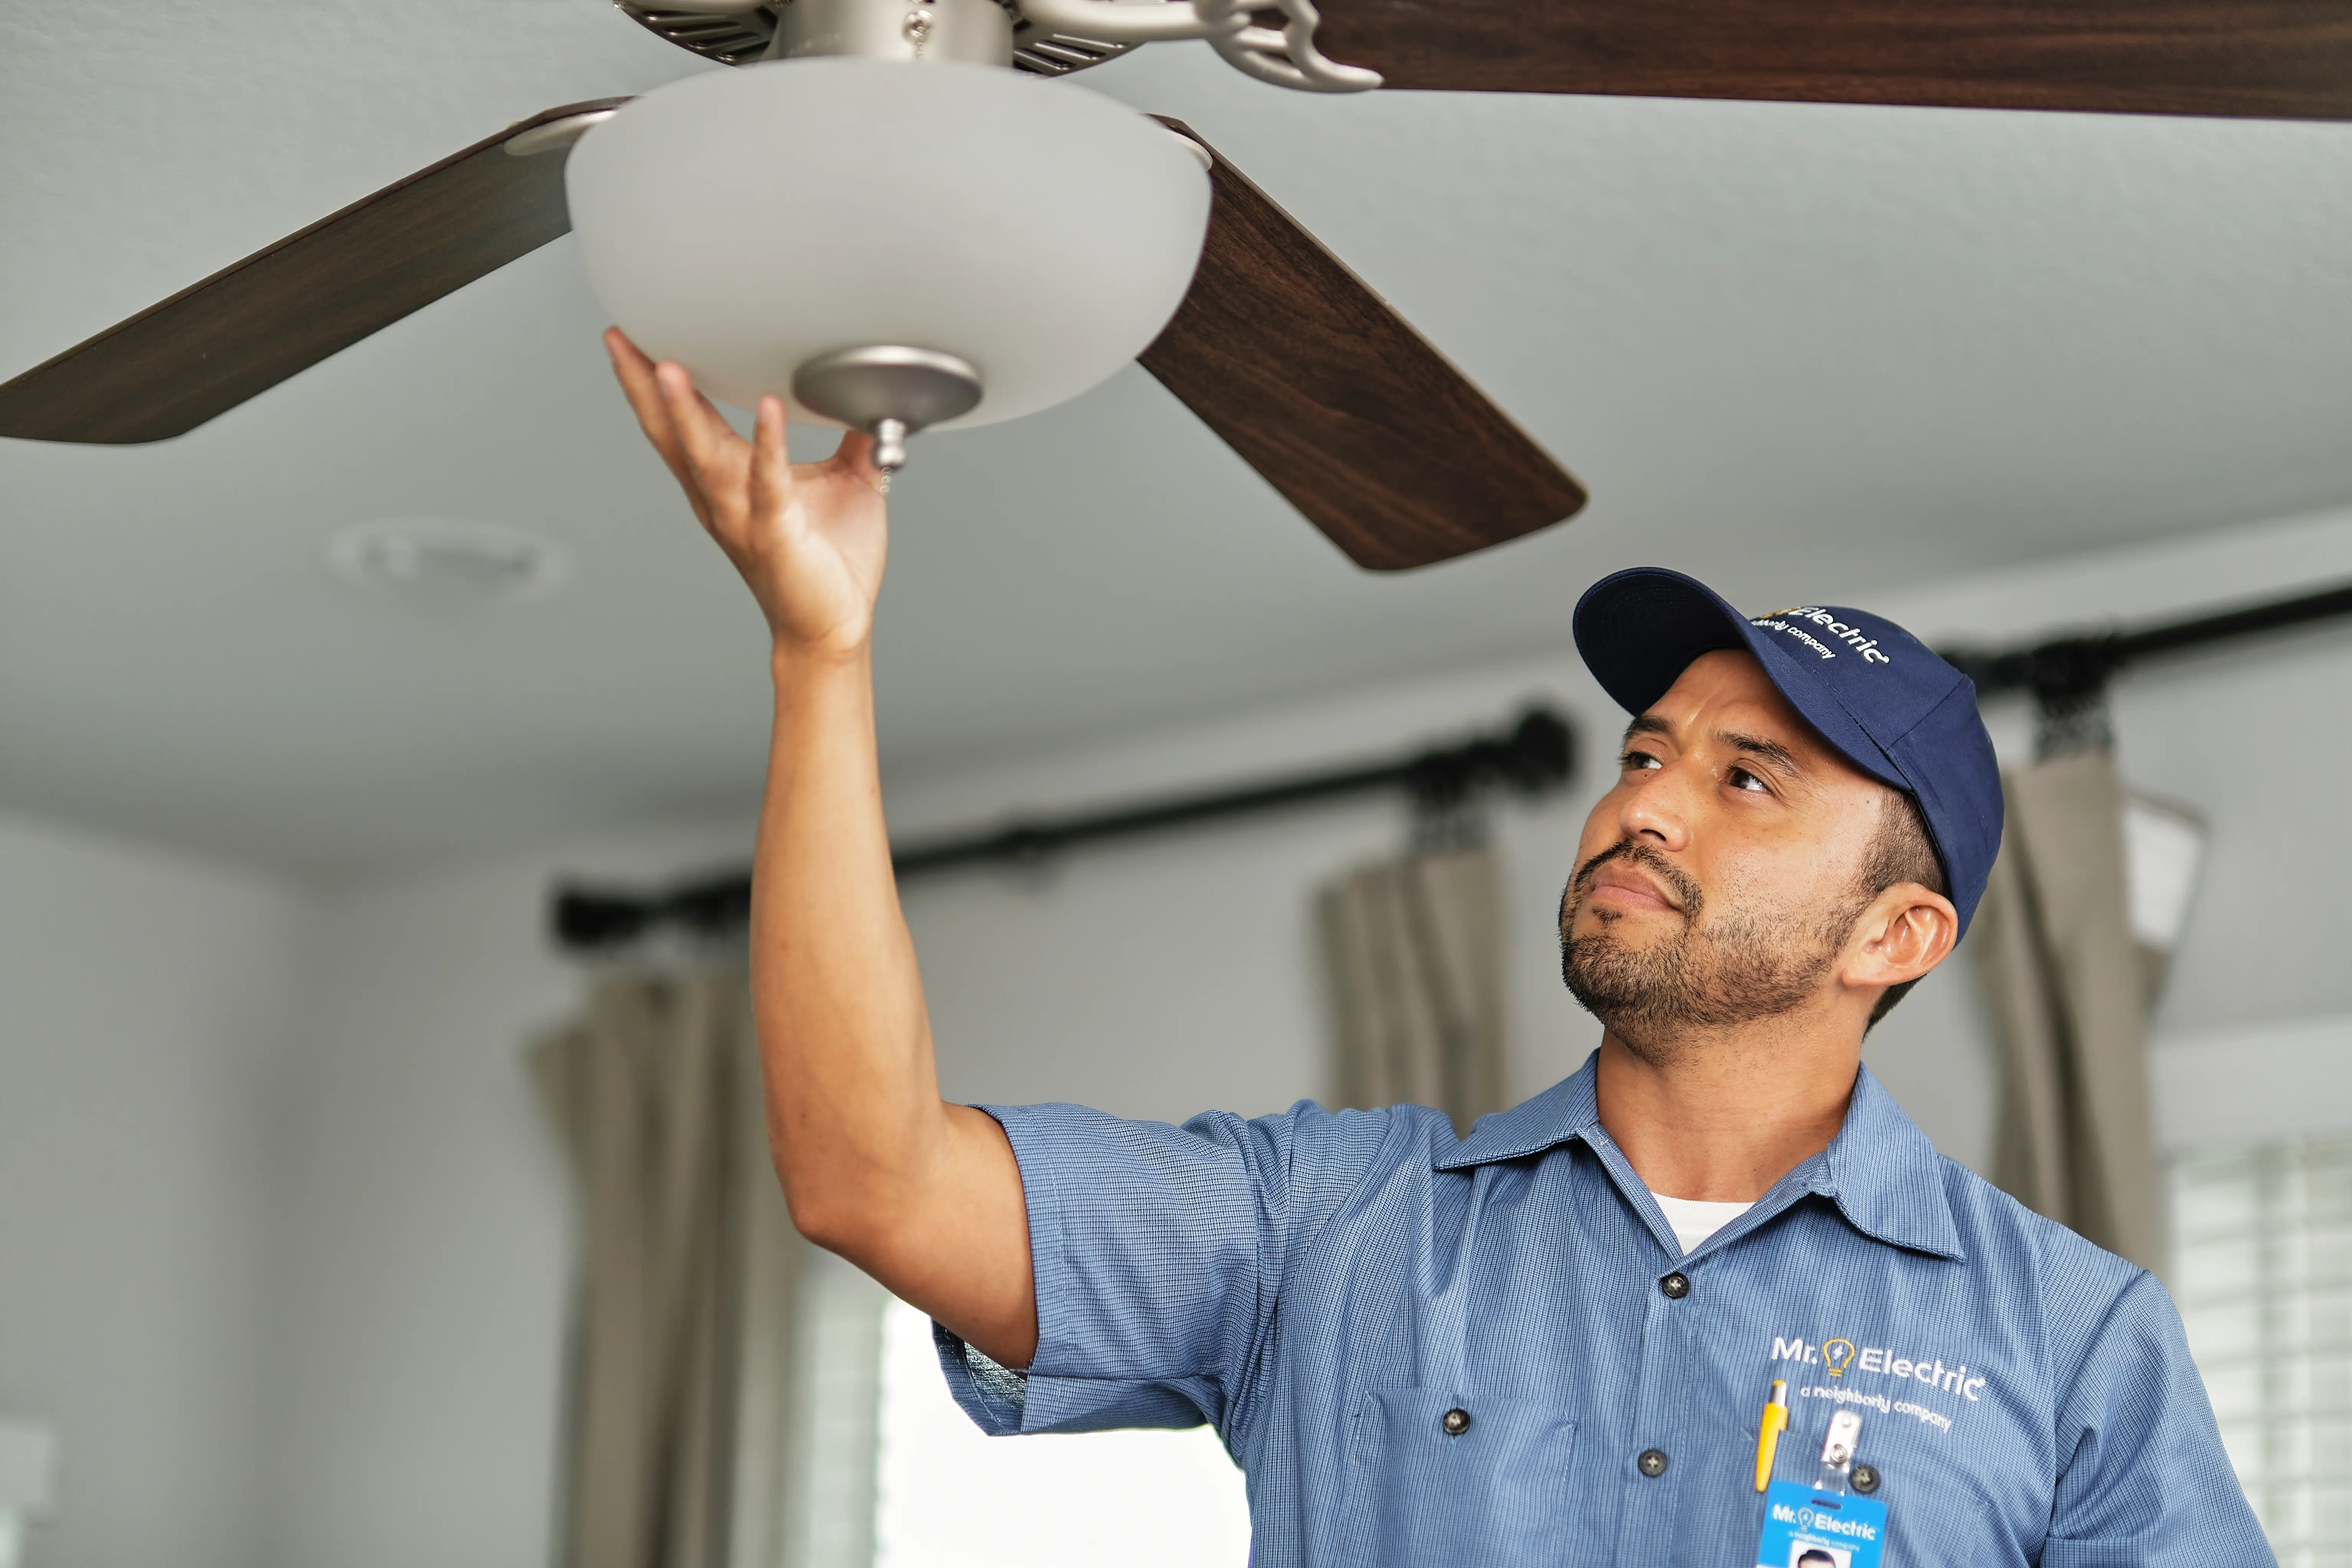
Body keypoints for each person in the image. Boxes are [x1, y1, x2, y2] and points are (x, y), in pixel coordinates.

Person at [604, 331, 2272, 1565]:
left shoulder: (2068, 1339)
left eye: (1745, 776)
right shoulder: (1331, 1231)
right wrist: (823, 654)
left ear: (1895, 931)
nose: (1645, 804)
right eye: (1644, 751)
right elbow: (869, 1178)